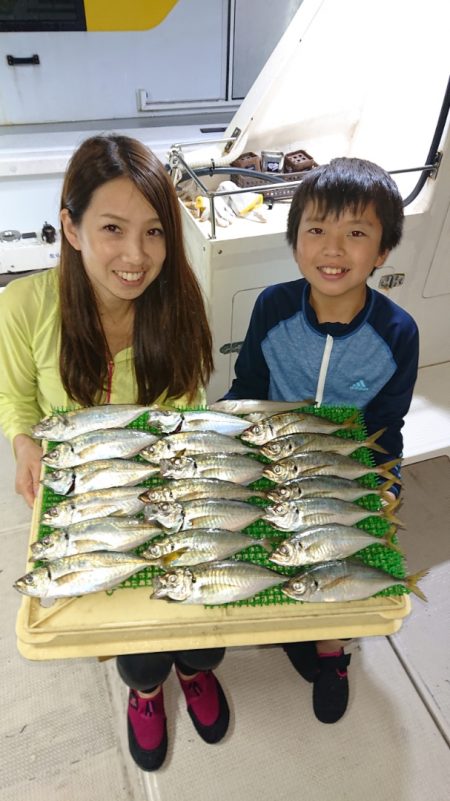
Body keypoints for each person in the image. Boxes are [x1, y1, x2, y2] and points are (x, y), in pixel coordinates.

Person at [0, 134, 229, 770]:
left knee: (203, 629)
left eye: (154, 231)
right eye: (112, 228)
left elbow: (188, 409)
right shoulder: (23, 306)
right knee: (137, 642)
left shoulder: (179, 301)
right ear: (70, 228)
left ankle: (197, 670)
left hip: (166, 495)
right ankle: (149, 692)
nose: (136, 256)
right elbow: (16, 396)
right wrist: (24, 445)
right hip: (86, 507)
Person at [223, 156, 419, 724]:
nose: (333, 250)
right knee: (279, 554)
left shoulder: (397, 333)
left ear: (381, 252)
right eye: (317, 230)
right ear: (295, 241)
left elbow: (388, 423)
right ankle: (294, 626)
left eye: (356, 233)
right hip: (275, 460)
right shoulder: (273, 307)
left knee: (335, 562)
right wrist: (228, 438)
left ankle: (333, 651)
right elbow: (248, 387)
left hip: (342, 472)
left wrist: (387, 483)